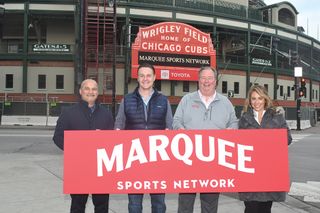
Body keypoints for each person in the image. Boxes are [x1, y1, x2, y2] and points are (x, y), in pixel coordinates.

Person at [173, 66, 238, 213]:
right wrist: (180, 129)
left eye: (210, 78)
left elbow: (234, 122)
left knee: (210, 205)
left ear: (215, 81)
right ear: (198, 80)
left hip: (214, 162)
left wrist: (231, 129)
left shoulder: (225, 102)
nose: (206, 81)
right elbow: (176, 121)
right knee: (185, 204)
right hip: (188, 160)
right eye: (203, 78)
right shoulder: (187, 100)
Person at [114, 63, 172, 213]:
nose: (145, 79)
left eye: (148, 75)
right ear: (137, 77)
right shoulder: (126, 100)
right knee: (134, 205)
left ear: (154, 78)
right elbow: (119, 124)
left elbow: (170, 126)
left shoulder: (164, 100)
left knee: (159, 204)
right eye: (142, 75)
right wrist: (116, 133)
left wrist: (169, 132)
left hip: (158, 161)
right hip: (134, 160)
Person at [53, 79, 114, 213]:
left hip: (101, 168)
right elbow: (57, 137)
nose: (90, 92)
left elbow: (113, 140)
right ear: (80, 91)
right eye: (87, 88)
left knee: (102, 206)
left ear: (98, 92)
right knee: (77, 206)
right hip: (78, 168)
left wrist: (103, 138)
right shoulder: (68, 113)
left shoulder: (107, 114)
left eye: (94, 89)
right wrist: (75, 148)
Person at [238, 85, 292, 213]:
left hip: (269, 172)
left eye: (260, 98)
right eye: (254, 99)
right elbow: (238, 144)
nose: (257, 102)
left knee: (265, 209)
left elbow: (288, 139)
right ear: (250, 101)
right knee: (250, 208)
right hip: (250, 173)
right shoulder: (244, 119)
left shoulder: (277, 117)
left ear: (265, 99)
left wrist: (272, 138)